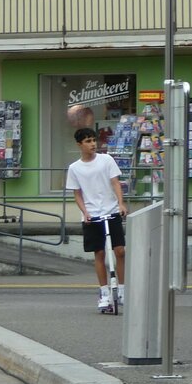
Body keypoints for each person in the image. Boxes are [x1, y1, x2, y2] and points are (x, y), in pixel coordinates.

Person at [65, 126, 128, 310]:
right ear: (80, 144)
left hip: (111, 210)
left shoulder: (106, 160)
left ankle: (122, 289)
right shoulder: (74, 168)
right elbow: (77, 194)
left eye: (94, 140)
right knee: (99, 253)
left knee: (120, 251)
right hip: (93, 215)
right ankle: (104, 293)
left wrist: (121, 203)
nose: (93, 144)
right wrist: (85, 212)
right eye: (88, 141)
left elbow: (115, 183)